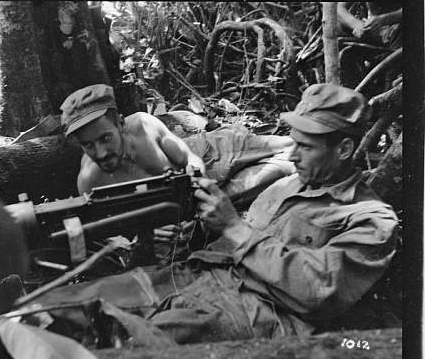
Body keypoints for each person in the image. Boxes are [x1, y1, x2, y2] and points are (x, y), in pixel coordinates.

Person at [42, 83, 398, 345]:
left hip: (248, 308)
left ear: (345, 149)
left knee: (128, 349)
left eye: (304, 147)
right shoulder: (289, 186)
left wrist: (233, 226)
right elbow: (229, 239)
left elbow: (320, 292)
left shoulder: (371, 221)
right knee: (56, 306)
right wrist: (198, 228)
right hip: (193, 273)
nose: (293, 157)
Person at [60, 84, 295, 244]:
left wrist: (196, 176)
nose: (100, 153)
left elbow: (188, 158)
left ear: (120, 124)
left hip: (209, 154)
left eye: (105, 138)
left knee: (292, 149)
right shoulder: (90, 181)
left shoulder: (143, 126)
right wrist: (149, 232)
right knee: (286, 172)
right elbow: (112, 231)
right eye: (88, 145)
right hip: (188, 208)